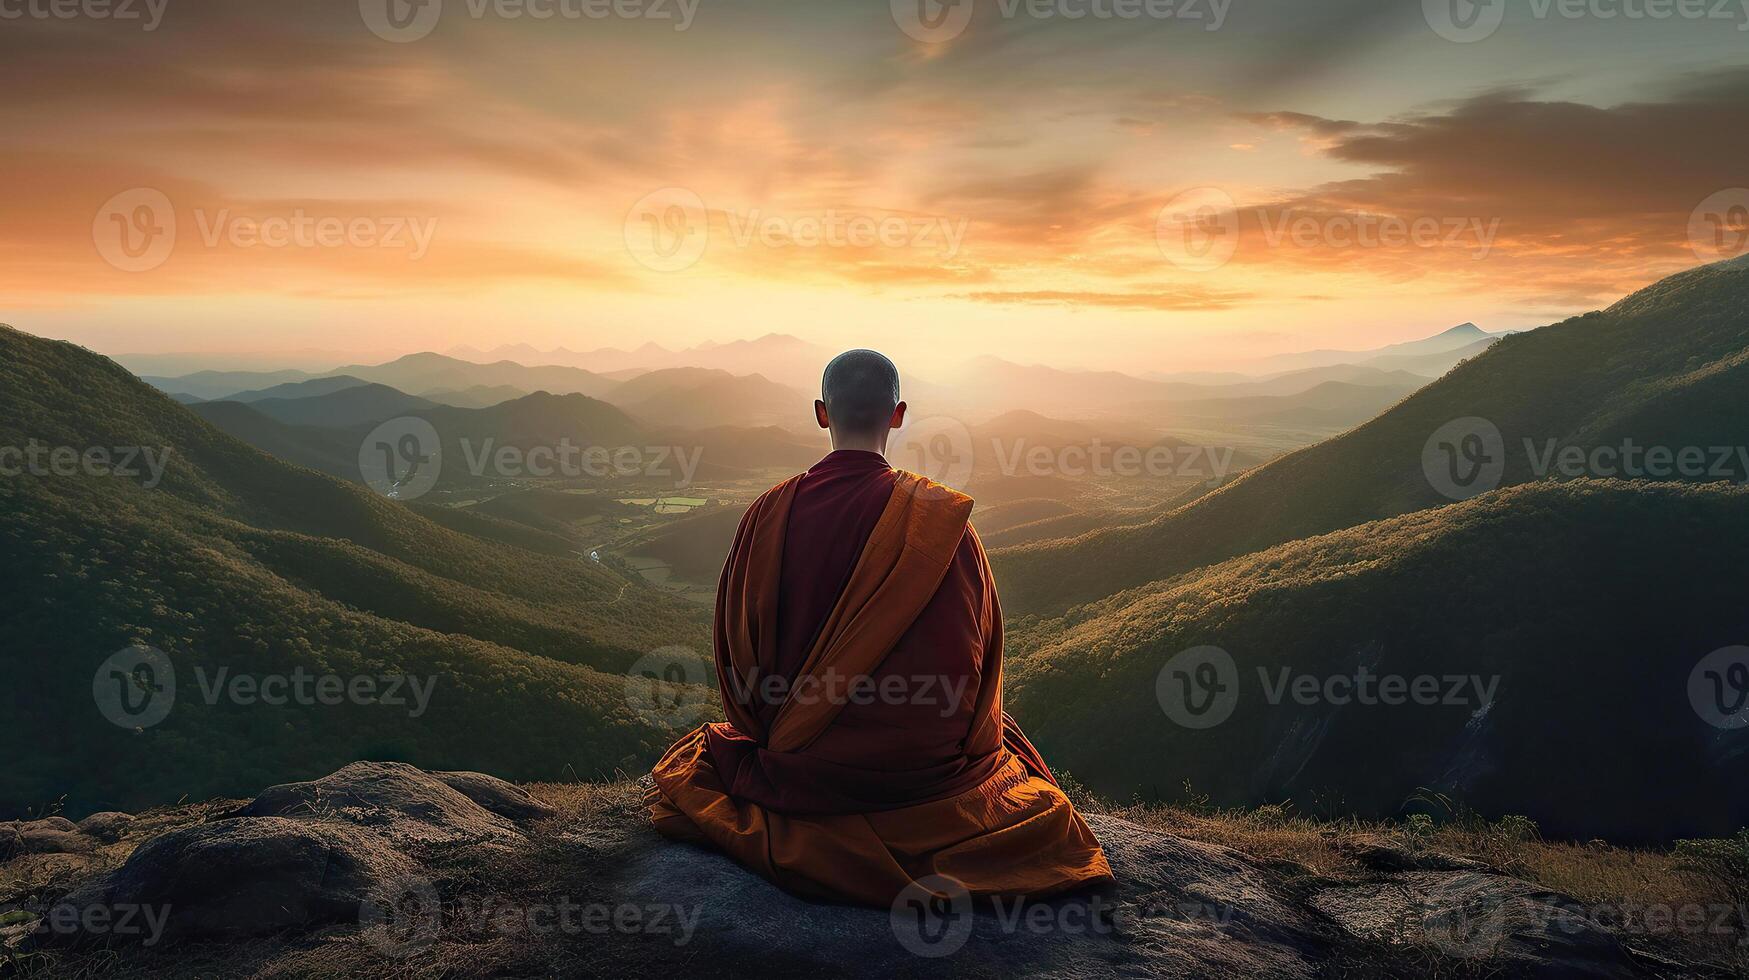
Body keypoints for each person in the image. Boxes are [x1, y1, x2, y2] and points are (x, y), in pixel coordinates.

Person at [645, 349, 1113, 906]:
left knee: (706, 752)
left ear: (822, 413)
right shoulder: (942, 527)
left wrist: (783, 731)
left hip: (799, 765)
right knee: (1007, 746)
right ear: (899, 414)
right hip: (919, 775)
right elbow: (976, 666)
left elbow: (733, 657)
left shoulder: (766, 515)